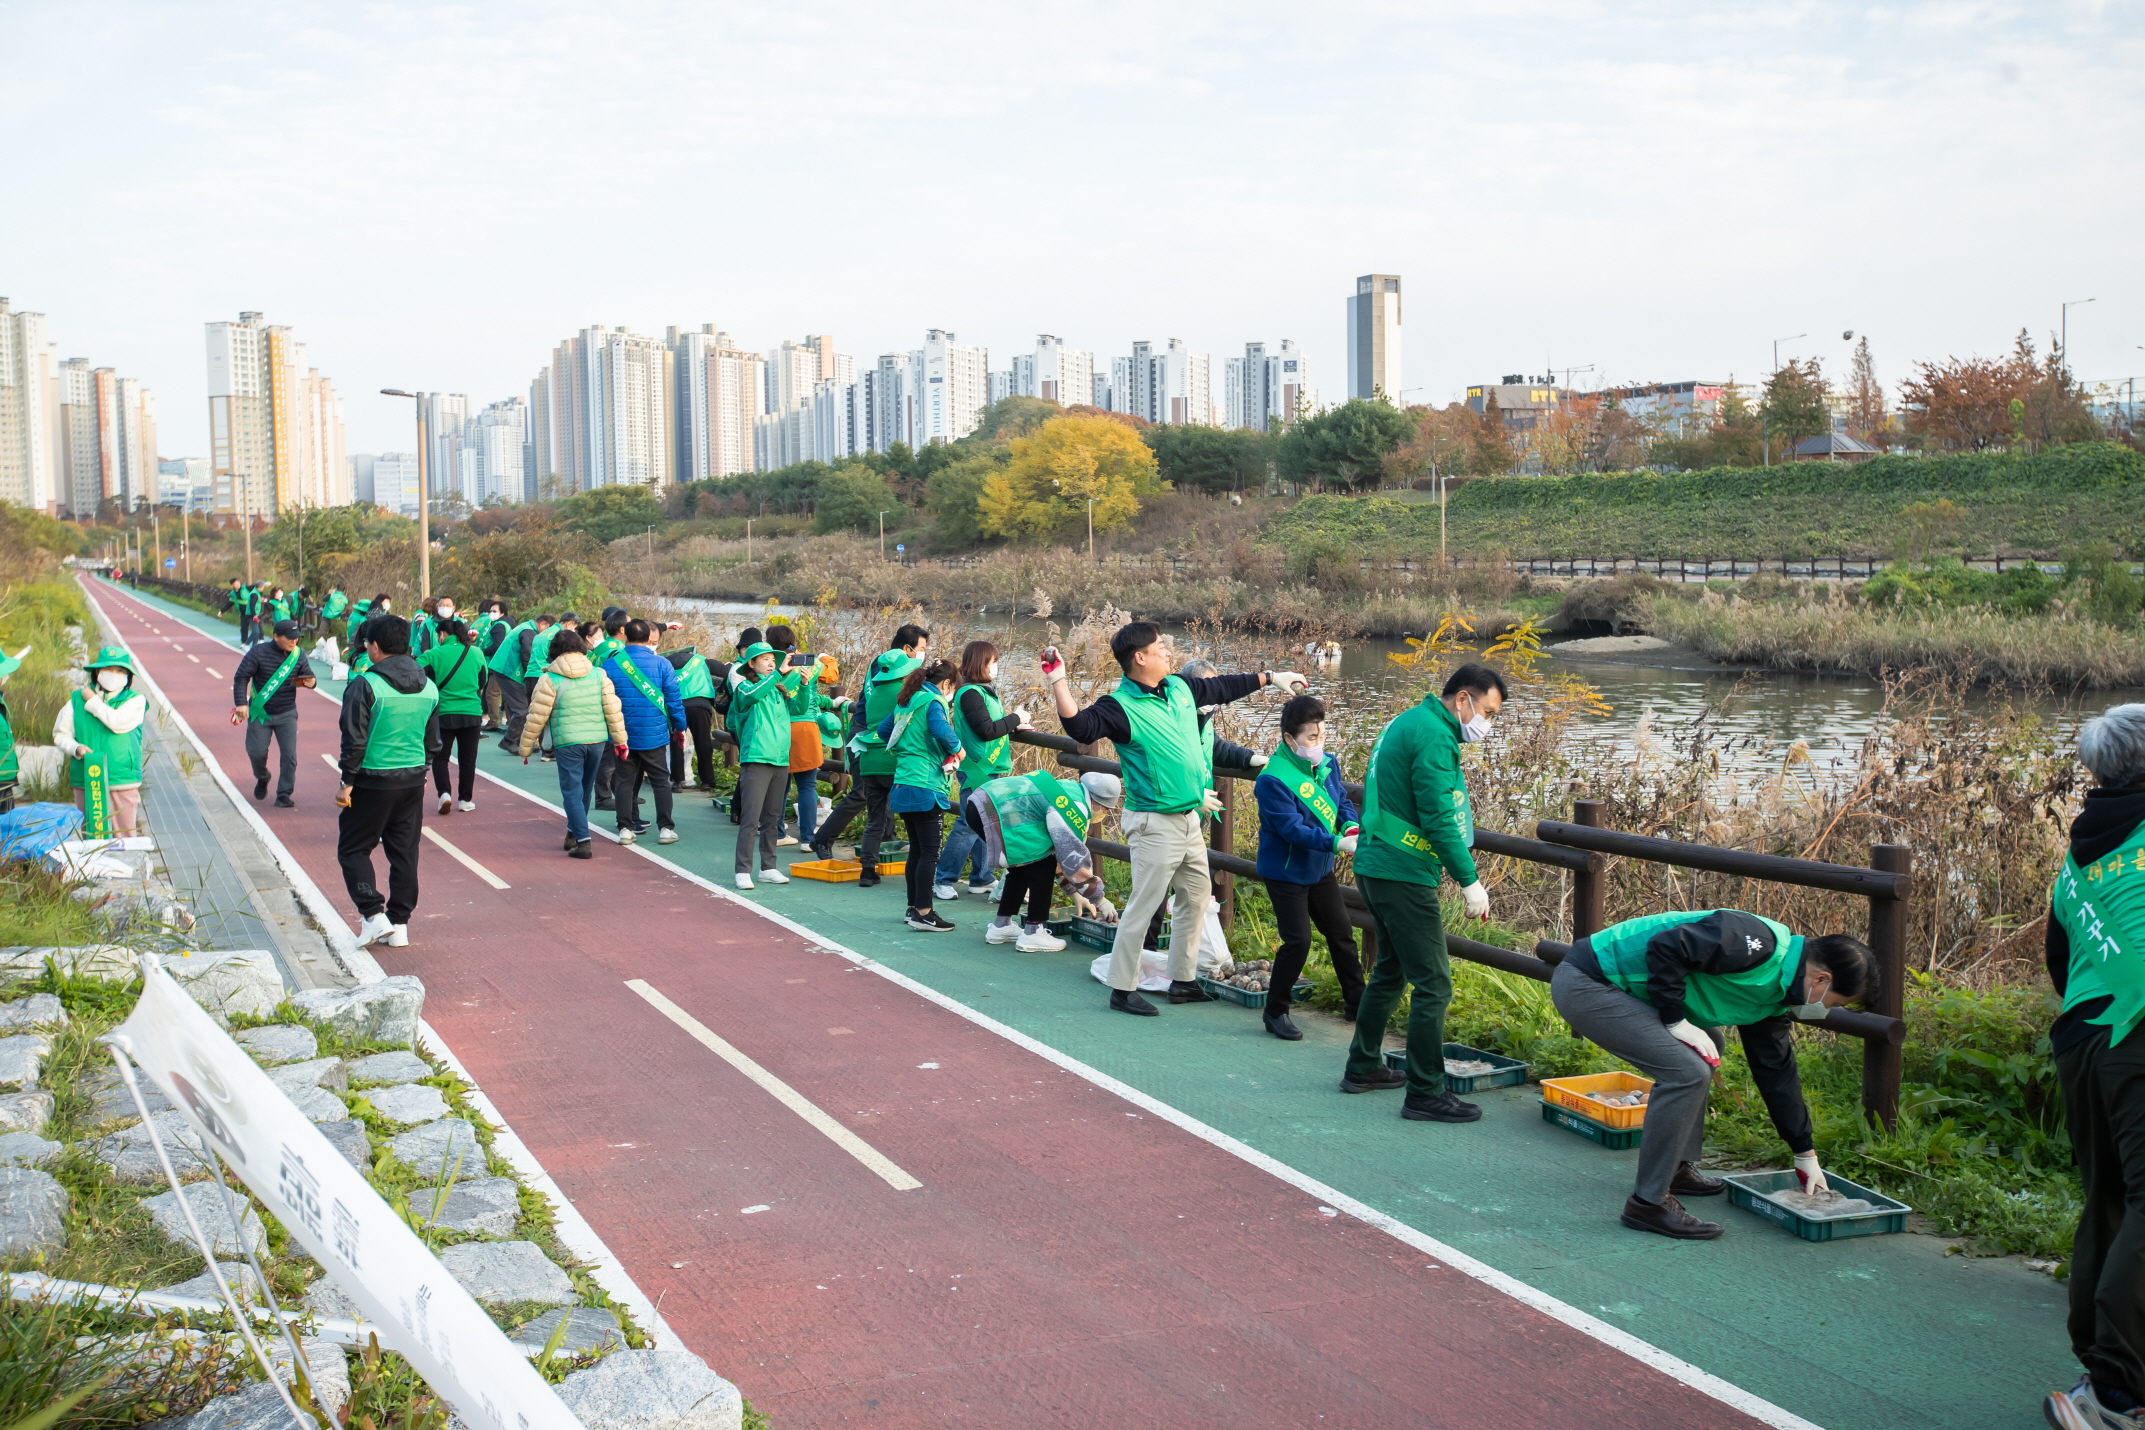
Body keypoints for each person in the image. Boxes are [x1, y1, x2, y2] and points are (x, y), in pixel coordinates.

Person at [1550, 909, 1878, 1241]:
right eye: (1834, 1003)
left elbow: (1776, 1073)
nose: (1826, 1011)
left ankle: (1674, 1170)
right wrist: (1675, 1020)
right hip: (1589, 981)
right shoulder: (1757, 943)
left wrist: (1804, 1152)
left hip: (1624, 990)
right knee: (1687, 1071)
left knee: (1707, 1047)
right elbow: (1667, 946)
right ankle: (1648, 1204)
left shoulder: (1775, 998)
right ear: (1821, 979)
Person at [1047, 621, 1303, 1016]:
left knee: (1197, 896)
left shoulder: (1180, 687)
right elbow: (1079, 726)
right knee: (1145, 905)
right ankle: (1122, 988)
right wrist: (1058, 681)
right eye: (1160, 647)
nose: (1168, 651)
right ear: (1140, 657)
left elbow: (1225, 687)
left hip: (1188, 820)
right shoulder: (1119, 707)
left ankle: (1182, 980)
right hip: (1153, 823)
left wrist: (1272, 677)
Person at [2041, 705, 2145, 1430]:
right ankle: (2116, 1394)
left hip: (2082, 1038)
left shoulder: (2078, 857)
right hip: (2137, 1032)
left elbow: (2060, 958)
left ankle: (2100, 1373)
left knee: (2109, 1200)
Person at [1341, 662, 1504, 1120]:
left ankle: (1363, 1066)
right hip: (1403, 872)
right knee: (1433, 982)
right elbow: (1438, 816)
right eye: (1487, 712)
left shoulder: (1411, 719)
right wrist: (1470, 881)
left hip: (1377, 863)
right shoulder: (1434, 735)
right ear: (1463, 699)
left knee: (1391, 969)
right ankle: (1426, 1092)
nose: (1487, 724)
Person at [1136, 655, 1268, 957]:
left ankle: (1185, 958)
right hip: (1168, 815)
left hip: (1194, 818)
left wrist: (1249, 758)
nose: (1214, 693)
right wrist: (1195, 796)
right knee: (1157, 887)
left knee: (1193, 889)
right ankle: (1145, 952)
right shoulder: (1171, 718)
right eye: (1208, 686)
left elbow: (1215, 748)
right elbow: (1166, 766)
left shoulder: (1202, 719)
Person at [1254, 694, 1366, 1040]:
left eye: (1322, 735)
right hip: (1285, 872)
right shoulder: (1272, 780)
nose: (1319, 743)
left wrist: (1350, 826)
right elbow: (1291, 829)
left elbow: (1341, 800)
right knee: (1298, 941)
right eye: (1312, 738)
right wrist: (1335, 843)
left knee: (1342, 934)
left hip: (1320, 869)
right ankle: (1275, 1011)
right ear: (1290, 739)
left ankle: (1358, 1004)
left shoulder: (1328, 762)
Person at [335, 614, 441, 948]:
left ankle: (373, 915)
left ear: (375, 647)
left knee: (353, 849)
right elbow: (433, 741)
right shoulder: (429, 687)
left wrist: (346, 781)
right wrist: (424, 770)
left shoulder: (365, 684)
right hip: (413, 780)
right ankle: (400, 924)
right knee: (405, 852)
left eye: (368, 643)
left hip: (372, 780)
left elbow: (354, 739)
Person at [812, 624, 928, 885]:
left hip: (870, 733)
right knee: (863, 792)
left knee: (877, 797)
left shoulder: (884, 664)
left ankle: (880, 851)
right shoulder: (889, 668)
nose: (922, 655)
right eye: (920, 649)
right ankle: (823, 839)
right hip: (869, 733)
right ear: (907, 649)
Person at [962, 768, 1122, 951]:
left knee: (1023, 866)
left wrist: (1075, 892)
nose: (1104, 814)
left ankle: (1001, 925)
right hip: (993, 809)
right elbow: (1070, 857)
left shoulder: (1069, 789)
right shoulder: (1074, 806)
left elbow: (1061, 853)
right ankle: (1033, 932)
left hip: (984, 802)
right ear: (1097, 802)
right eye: (1105, 809)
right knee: (1043, 866)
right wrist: (1099, 899)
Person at [933, 641, 1032, 902]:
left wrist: (1012, 725)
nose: (996, 666)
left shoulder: (982, 691)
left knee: (986, 823)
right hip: (977, 768)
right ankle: (943, 878)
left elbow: (991, 725)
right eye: (993, 662)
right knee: (969, 823)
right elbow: (986, 730)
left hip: (989, 767)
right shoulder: (971, 693)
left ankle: (981, 877)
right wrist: (1016, 718)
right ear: (981, 663)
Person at [517, 627, 627, 858]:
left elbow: (536, 716)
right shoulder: (599, 674)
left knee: (571, 791)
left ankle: (583, 841)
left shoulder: (549, 679)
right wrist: (620, 741)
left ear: (554, 651)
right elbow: (613, 710)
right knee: (584, 790)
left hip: (568, 742)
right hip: (597, 741)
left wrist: (526, 747)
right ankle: (573, 833)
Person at [878, 657, 963, 931]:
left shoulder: (908, 700)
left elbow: (884, 731)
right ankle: (925, 912)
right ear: (946, 683)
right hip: (925, 784)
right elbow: (941, 730)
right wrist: (957, 749)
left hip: (903, 781)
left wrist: (909, 747)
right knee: (929, 852)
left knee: (917, 849)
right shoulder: (933, 701)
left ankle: (913, 908)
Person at [730, 641, 817, 887]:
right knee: (751, 818)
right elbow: (754, 695)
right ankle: (742, 870)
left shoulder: (778, 689)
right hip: (757, 758)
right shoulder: (745, 687)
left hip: (780, 759)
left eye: (773, 660)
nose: (771, 664)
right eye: (765, 659)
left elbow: (799, 708)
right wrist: (779, 673)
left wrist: (804, 684)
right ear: (751, 663)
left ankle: (768, 867)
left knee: (772, 817)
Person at [604, 618, 686, 846]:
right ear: (649, 639)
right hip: (654, 735)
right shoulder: (662, 664)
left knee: (624, 781)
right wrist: (679, 726)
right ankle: (666, 829)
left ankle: (625, 829)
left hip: (623, 734)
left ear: (625, 636)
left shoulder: (610, 664)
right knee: (661, 782)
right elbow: (674, 700)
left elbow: (604, 701)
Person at [56, 647, 148, 837]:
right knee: (92, 836)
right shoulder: (76, 700)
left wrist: (92, 701)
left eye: (120, 670)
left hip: (121, 778)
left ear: (128, 676)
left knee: (124, 838)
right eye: (108, 669)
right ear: (97, 672)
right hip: (86, 777)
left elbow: (117, 722)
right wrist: (76, 748)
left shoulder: (136, 700)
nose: (113, 674)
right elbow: (60, 734)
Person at [230, 618, 317, 808]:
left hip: (287, 713)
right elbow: (241, 677)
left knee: (289, 756)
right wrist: (241, 703)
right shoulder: (258, 652)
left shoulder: (298, 655)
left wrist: (310, 682)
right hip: (260, 712)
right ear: (276, 637)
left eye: (296, 637)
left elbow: (306, 677)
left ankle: (284, 794)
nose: (294, 641)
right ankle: (263, 777)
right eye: (290, 637)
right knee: (256, 752)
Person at [766, 624, 837, 848]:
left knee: (780, 786)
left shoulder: (771, 665)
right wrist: (825, 657)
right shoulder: (807, 662)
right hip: (806, 728)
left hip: (780, 728)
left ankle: (778, 833)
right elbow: (832, 674)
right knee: (807, 787)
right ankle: (808, 839)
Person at [419, 617, 486, 815]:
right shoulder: (476, 652)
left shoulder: (432, 654)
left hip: (444, 713)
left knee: (441, 757)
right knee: (468, 759)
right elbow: (482, 681)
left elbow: (417, 676)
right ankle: (465, 800)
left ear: (442, 634)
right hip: (471, 713)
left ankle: (444, 794)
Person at [663, 635, 723, 793]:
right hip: (700, 705)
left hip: (676, 706)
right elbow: (727, 672)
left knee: (677, 743)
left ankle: (677, 782)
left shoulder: (666, 663)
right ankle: (707, 781)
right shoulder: (702, 661)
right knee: (703, 743)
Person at [488, 608, 538, 749]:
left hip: (505, 668)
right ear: (544, 625)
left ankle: (520, 741)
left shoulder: (524, 627)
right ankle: (509, 740)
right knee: (522, 709)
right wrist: (529, 674)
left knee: (520, 707)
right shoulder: (528, 631)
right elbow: (526, 652)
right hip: (508, 670)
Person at [519, 614, 563, 759]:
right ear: (570, 624)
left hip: (530, 675)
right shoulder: (558, 635)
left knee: (536, 714)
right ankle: (548, 750)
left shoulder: (539, 635)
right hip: (544, 676)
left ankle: (535, 748)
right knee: (548, 715)